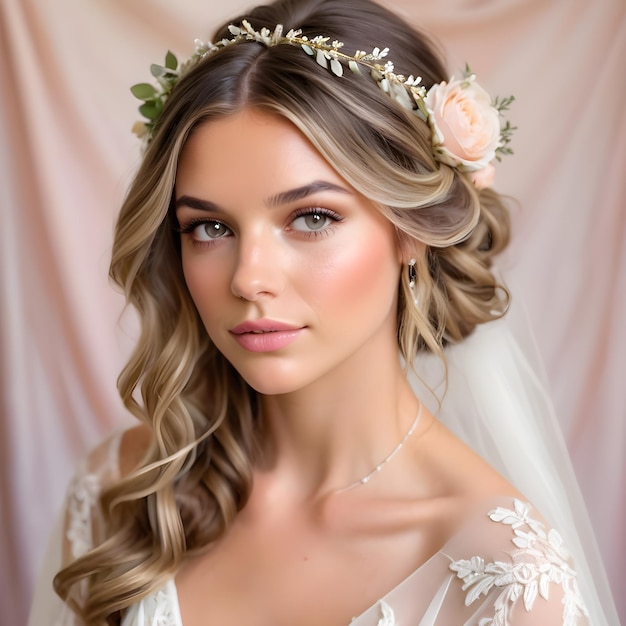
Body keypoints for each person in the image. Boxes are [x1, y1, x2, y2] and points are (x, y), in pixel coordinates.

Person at [27, 0, 618, 624]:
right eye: (209, 227)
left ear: (410, 229)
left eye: (312, 218)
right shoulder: (119, 495)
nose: (249, 278)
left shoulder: (508, 579)